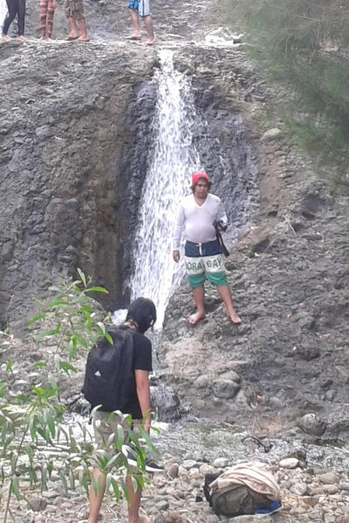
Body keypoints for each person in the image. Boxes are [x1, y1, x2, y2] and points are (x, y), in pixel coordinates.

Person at [87, 297, 156, 523]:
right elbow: (142, 384)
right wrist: (147, 418)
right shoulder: (142, 343)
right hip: (129, 415)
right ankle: (133, 518)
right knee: (134, 466)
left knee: (101, 463)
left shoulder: (108, 334)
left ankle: (92, 518)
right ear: (149, 321)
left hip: (102, 409)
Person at [172, 172, 241, 325]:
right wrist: (175, 248)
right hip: (192, 248)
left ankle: (230, 309)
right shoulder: (185, 203)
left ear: (208, 187)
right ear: (194, 186)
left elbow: (223, 217)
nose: (202, 189)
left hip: (211, 246)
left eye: (205, 186)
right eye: (199, 185)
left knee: (220, 277)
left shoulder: (216, 201)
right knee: (196, 280)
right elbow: (178, 226)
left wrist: (222, 225)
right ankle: (200, 310)